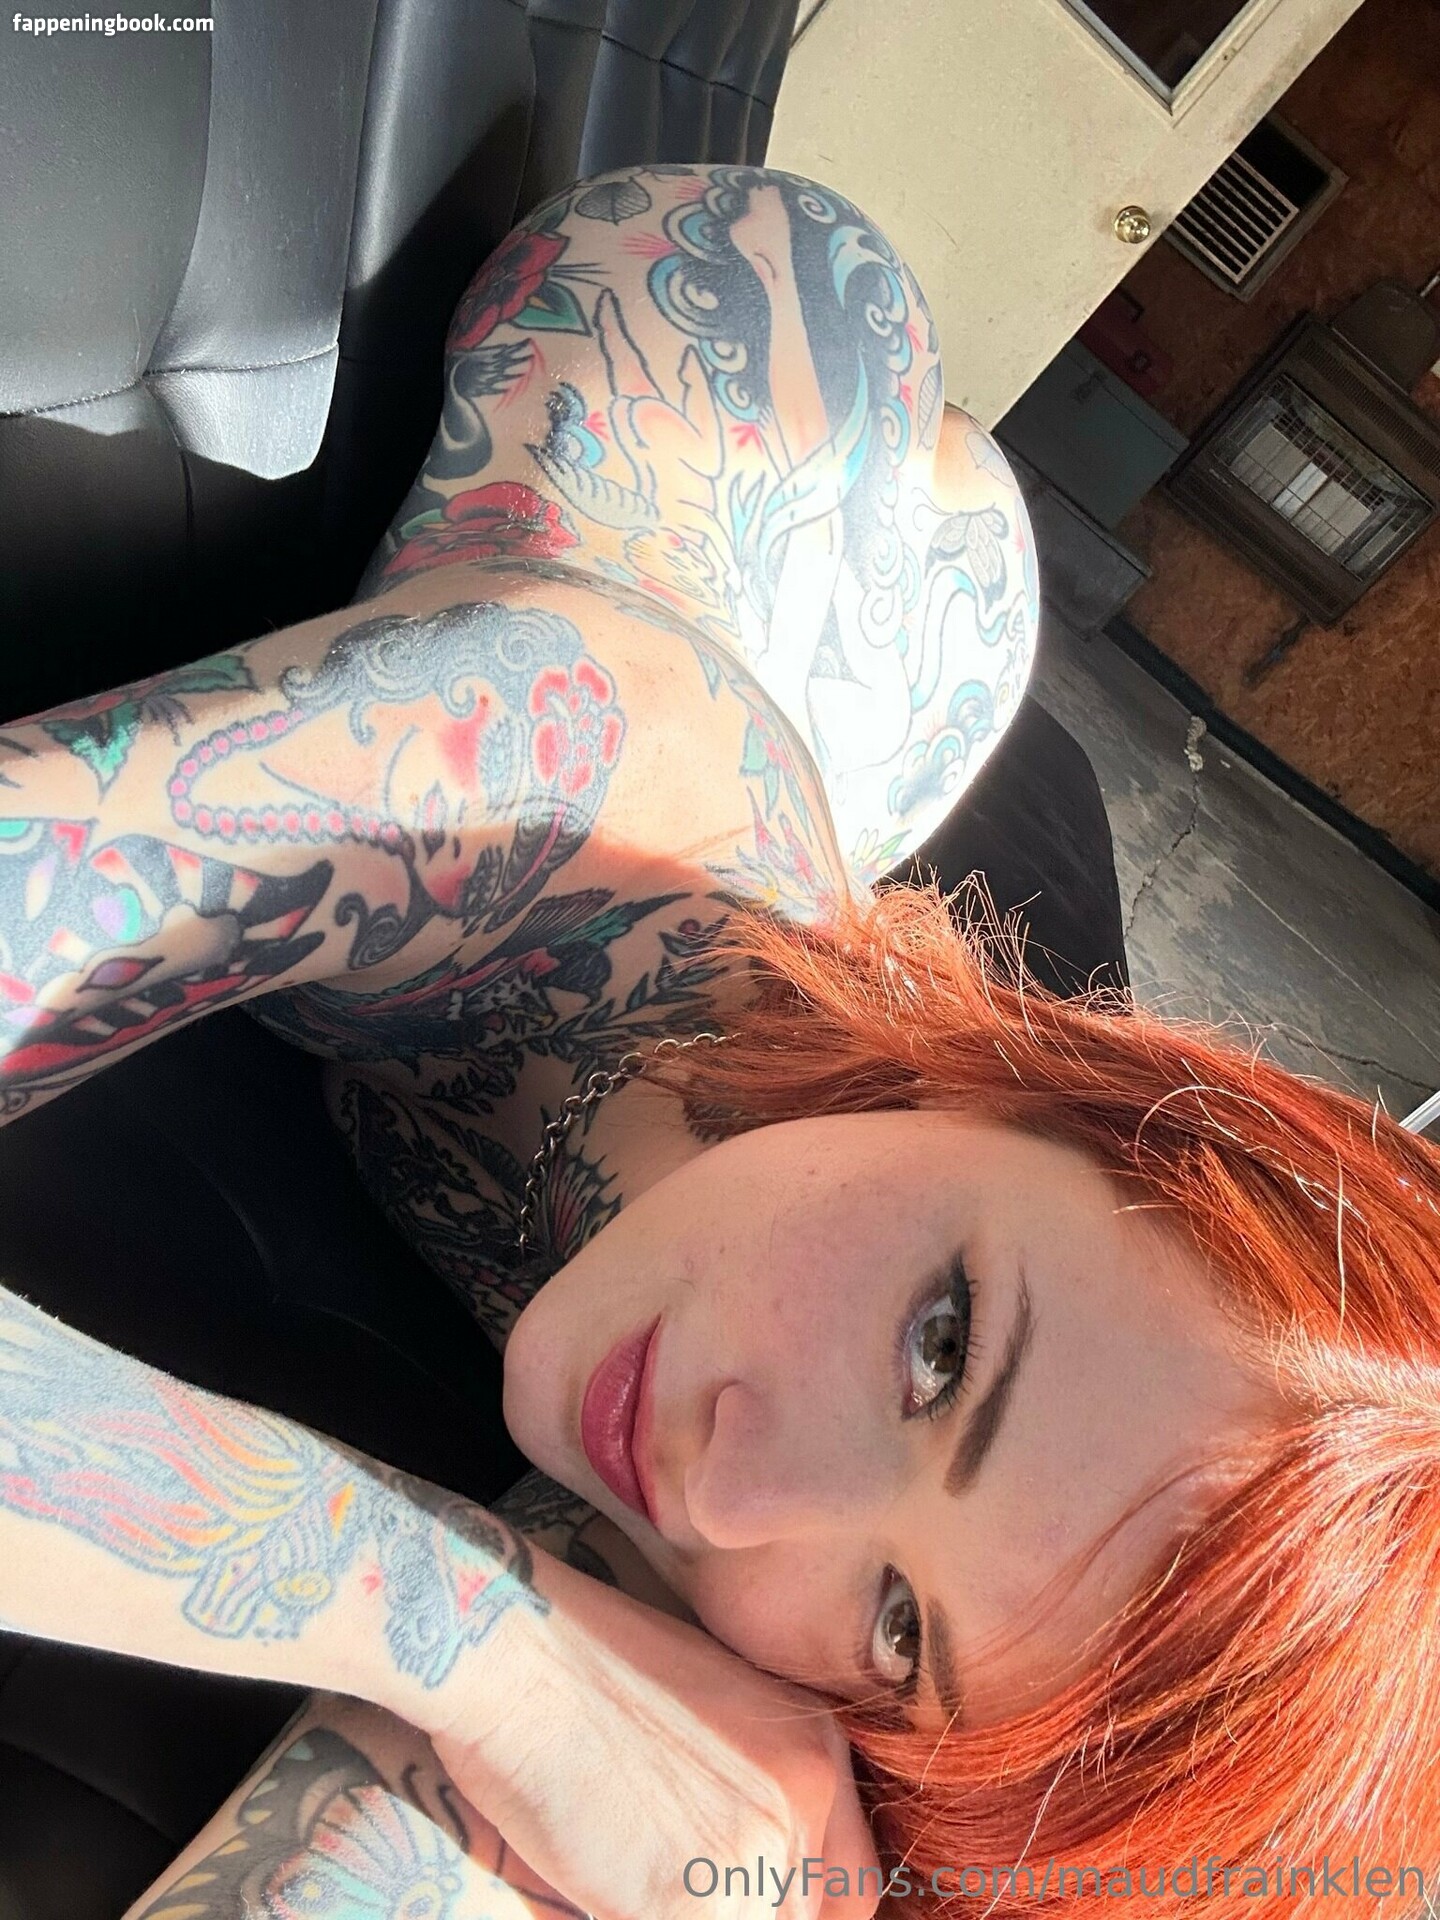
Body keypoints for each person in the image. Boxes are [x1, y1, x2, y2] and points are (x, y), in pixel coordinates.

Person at [0, 164, 1437, 1920]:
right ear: (1042, 1087)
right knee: (923, 503)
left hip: (848, 711)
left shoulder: (808, 1544)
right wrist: (468, 1633)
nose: (732, 1488)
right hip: (743, 351)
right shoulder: (557, 765)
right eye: (939, 1347)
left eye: (902, 1625)